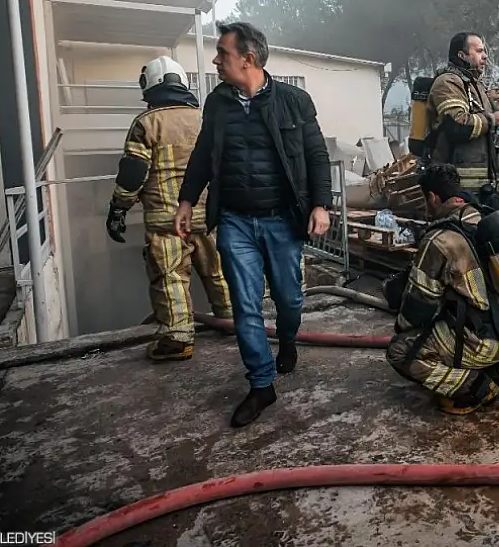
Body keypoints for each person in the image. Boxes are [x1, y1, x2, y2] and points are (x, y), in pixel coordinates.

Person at [175, 21, 332, 428]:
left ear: (248, 59)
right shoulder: (217, 103)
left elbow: (316, 156)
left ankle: (289, 339)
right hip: (235, 221)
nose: (215, 59)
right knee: (245, 306)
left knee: (289, 300)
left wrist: (321, 205)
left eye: (222, 53)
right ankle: (261, 384)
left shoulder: (294, 101)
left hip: (283, 221)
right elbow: (203, 153)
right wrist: (187, 200)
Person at [385, 163, 499, 414]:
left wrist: (403, 327)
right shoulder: (487, 219)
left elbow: (417, 309)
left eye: (425, 201)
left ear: (432, 197)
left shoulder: (439, 240)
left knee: (401, 351)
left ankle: (474, 387)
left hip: (483, 342)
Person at [106, 56, 232, 361]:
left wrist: (118, 209)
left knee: (170, 278)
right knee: (222, 273)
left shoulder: (147, 123)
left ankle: (176, 338)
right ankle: (234, 322)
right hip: (212, 217)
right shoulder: (206, 118)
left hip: (167, 223)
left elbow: (134, 173)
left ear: (148, 87)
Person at [424, 32, 499, 209]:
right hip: (455, 187)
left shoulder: (475, 85)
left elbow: (492, 119)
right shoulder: (447, 83)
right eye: (479, 51)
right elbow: (457, 126)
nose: (485, 56)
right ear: (462, 55)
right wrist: (493, 120)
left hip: (481, 187)